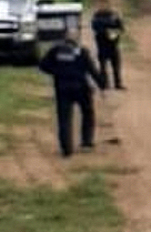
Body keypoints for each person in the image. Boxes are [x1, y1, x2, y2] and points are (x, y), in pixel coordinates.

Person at [39, 26, 106, 157]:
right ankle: (87, 141)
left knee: (64, 118)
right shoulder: (82, 51)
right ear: (77, 38)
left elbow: (43, 65)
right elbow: (92, 70)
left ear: (65, 37)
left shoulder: (56, 51)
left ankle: (66, 149)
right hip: (81, 88)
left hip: (62, 88)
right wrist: (102, 85)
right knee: (87, 113)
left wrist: (57, 73)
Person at [91, 0, 126, 89]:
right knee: (103, 67)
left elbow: (121, 28)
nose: (103, 7)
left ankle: (117, 83)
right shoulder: (96, 16)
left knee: (116, 66)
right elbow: (95, 28)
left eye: (105, 5)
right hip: (102, 45)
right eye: (101, 5)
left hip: (113, 44)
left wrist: (115, 32)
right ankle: (104, 84)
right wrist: (106, 31)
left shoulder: (114, 15)